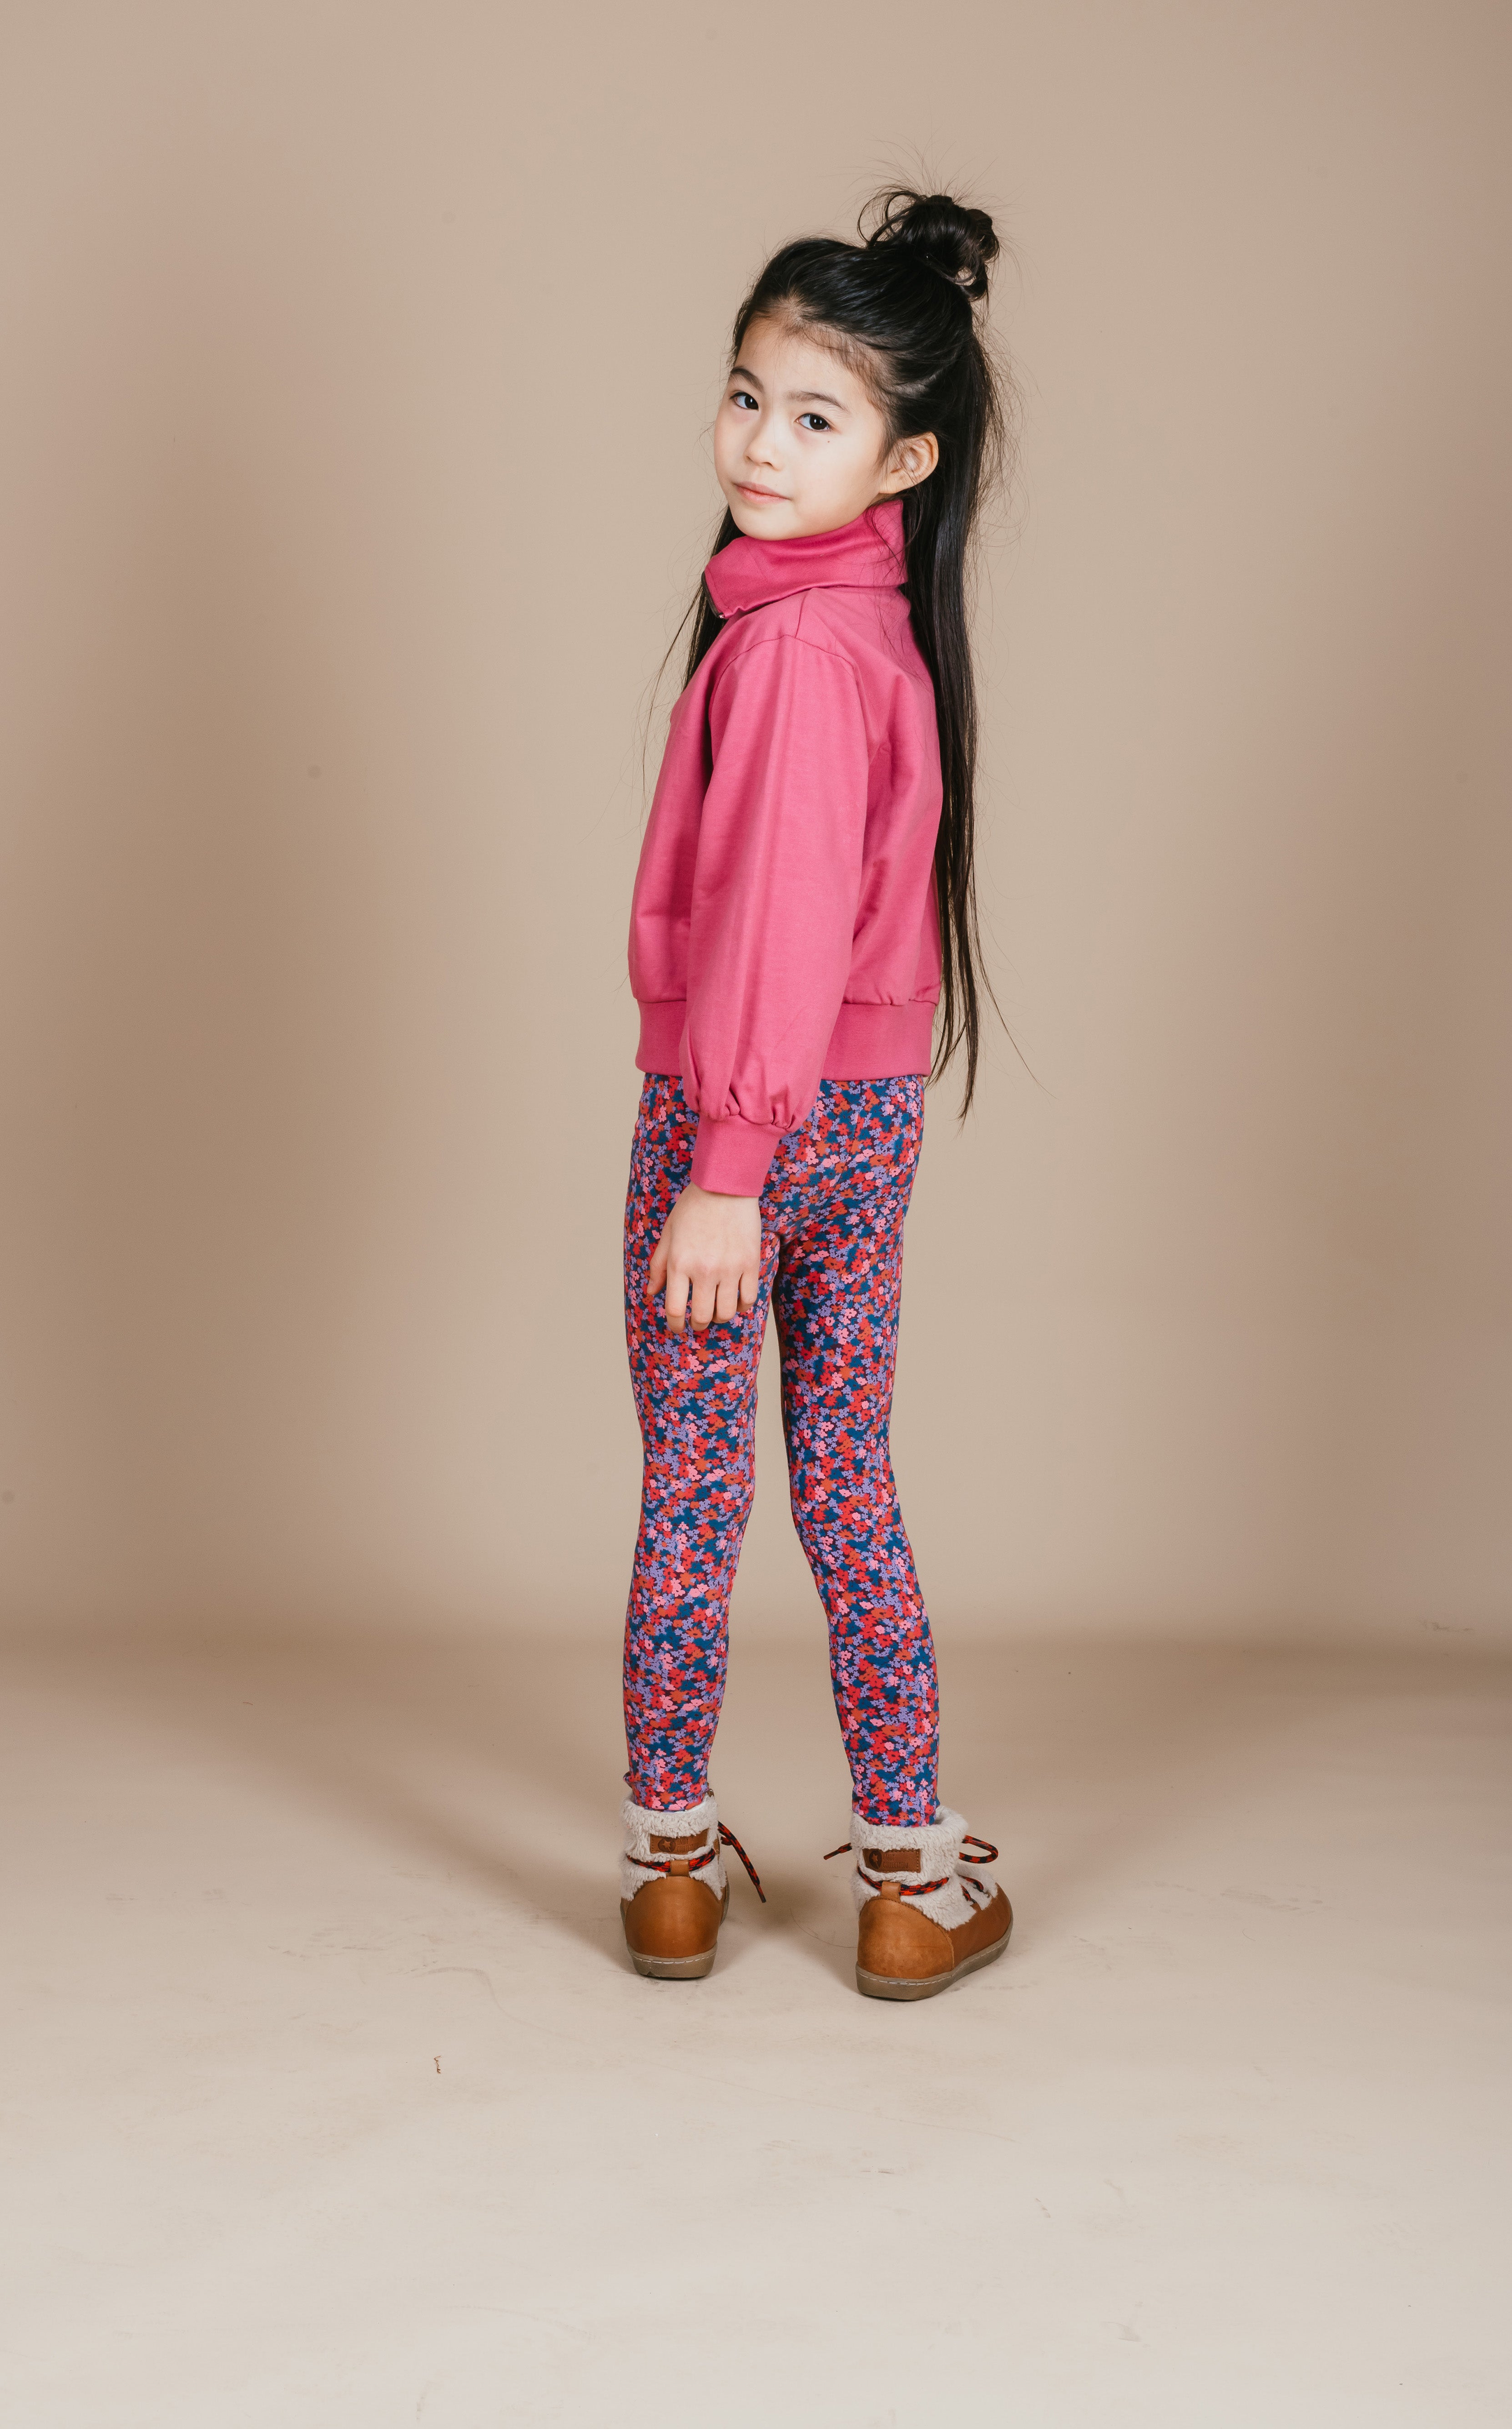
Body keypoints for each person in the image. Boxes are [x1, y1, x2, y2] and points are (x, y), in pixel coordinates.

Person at [618, 190, 1013, 2001]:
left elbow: (774, 929)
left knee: (695, 1487)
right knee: (844, 1480)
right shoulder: (858, 625)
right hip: (851, 1122)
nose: (759, 445)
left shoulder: (783, 650)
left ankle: (670, 1864)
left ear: (903, 458)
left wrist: (723, 1165)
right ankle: (909, 1878)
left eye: (814, 415)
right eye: (744, 396)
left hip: (744, 1123)